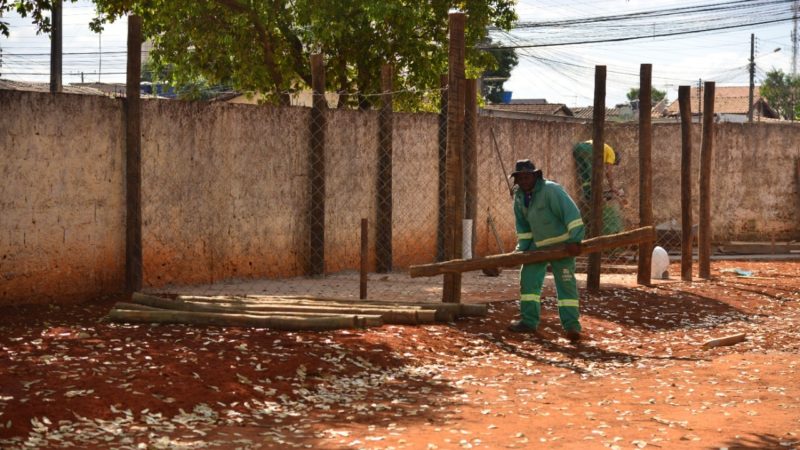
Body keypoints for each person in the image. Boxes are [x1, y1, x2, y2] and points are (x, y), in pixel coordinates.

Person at [507, 159, 585, 343]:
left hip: (563, 245)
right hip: (537, 246)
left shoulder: (551, 190)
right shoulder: (519, 197)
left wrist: (575, 240)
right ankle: (528, 321)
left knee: (565, 284)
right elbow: (523, 227)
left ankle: (571, 326)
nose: (524, 181)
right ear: (516, 180)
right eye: (520, 178)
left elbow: (572, 215)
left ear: (536, 176)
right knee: (528, 282)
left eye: (527, 176)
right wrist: (521, 251)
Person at [572, 139, 622, 203]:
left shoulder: (605, 152)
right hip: (590, 149)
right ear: (615, 159)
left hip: (578, 148)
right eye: (613, 163)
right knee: (595, 174)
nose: (611, 164)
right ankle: (595, 195)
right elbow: (608, 172)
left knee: (585, 175)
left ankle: (588, 195)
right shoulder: (612, 154)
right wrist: (612, 187)